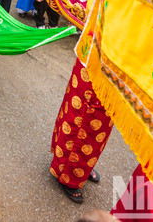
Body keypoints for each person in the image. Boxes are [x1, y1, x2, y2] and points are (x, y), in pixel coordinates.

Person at [50, 58, 111, 203]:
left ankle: (82, 168)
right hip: (100, 54)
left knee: (102, 120)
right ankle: (68, 175)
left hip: (119, 65)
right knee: (84, 115)